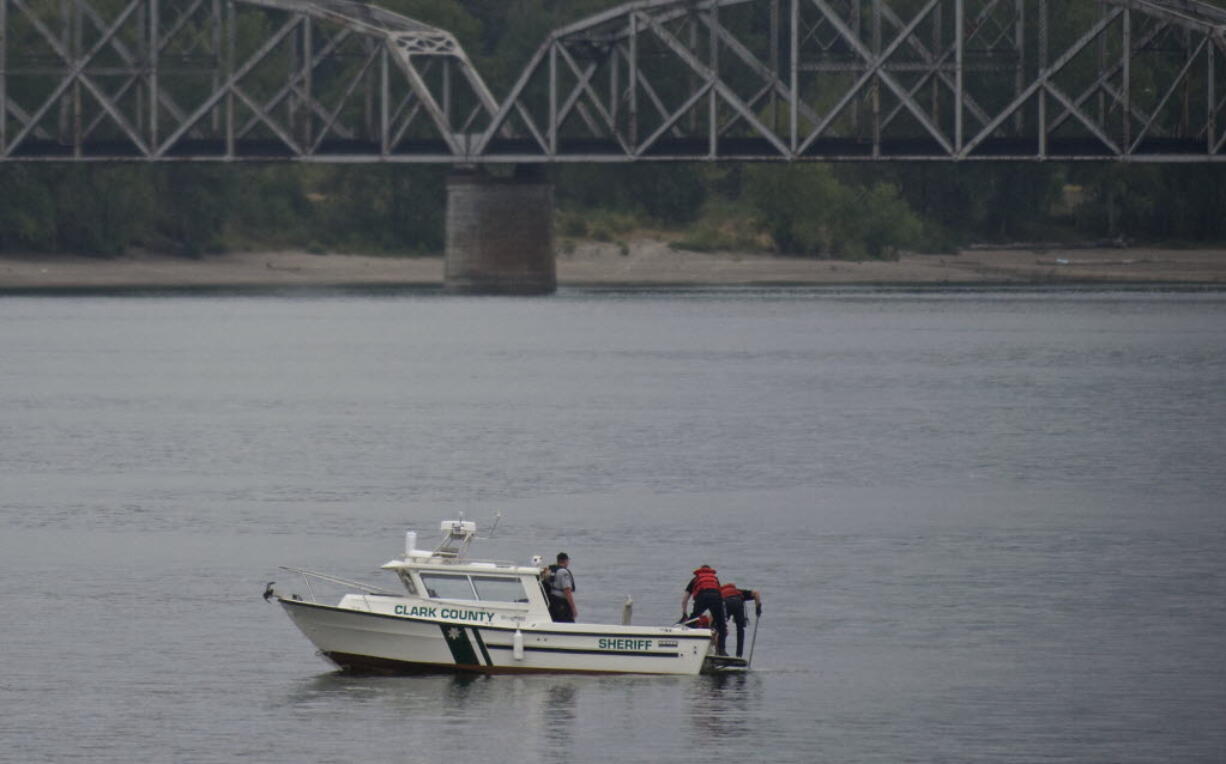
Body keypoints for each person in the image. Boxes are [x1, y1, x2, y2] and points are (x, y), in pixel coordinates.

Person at [681, 564, 728, 656]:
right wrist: (715, 617)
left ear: (700, 571)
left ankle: (690, 648)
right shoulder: (715, 579)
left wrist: (684, 614)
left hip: (703, 597)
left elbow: (685, 599)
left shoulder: (695, 579)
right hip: (716, 598)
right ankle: (722, 651)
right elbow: (720, 595)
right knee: (721, 626)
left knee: (692, 622)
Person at [720, 582, 762, 658]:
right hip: (738, 602)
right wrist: (758, 608)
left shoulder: (720, 593)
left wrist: (710, 625)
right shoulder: (738, 591)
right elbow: (756, 593)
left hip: (726, 603)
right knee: (740, 629)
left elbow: (714, 614)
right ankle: (739, 654)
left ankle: (721, 651)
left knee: (721, 628)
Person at [548, 552, 577, 622]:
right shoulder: (563, 572)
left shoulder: (552, 570)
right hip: (561, 603)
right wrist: (573, 608)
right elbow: (567, 591)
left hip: (552, 601)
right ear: (565, 561)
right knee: (567, 622)